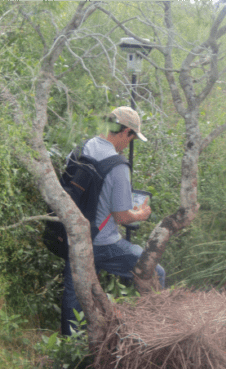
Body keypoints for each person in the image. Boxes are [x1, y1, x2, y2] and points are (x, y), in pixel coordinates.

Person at [61, 106, 166, 335]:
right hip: (104, 244)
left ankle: (69, 349)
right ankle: (155, 331)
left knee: (74, 293)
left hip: (75, 238)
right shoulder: (118, 167)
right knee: (157, 273)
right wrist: (141, 215)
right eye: (132, 137)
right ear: (125, 131)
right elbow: (122, 216)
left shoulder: (81, 148)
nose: (129, 143)